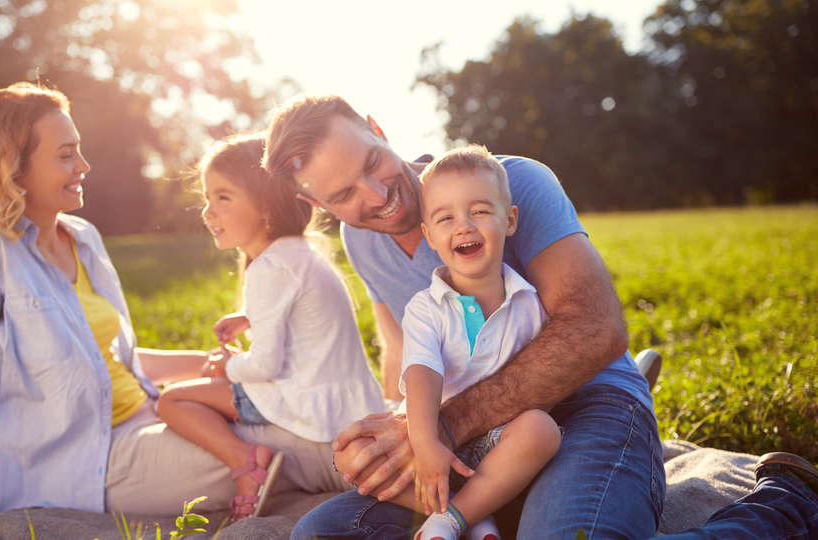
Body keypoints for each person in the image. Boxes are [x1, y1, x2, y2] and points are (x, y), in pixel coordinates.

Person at [263, 93, 818, 540]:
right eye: (345, 193)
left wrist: (442, 427)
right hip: (474, 441)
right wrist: (395, 435)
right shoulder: (361, 241)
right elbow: (406, 350)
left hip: (587, 402)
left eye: (371, 162)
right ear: (319, 206)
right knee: (324, 530)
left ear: (377, 128)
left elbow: (594, 330)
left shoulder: (511, 183)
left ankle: (781, 506)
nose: (378, 193)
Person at [0, 84, 348, 534]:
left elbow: (114, 362)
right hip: (85, 465)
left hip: (147, 417)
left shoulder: (83, 239)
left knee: (294, 417)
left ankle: (396, 460)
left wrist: (212, 366)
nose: (84, 165)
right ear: (13, 168)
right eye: (66, 155)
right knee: (288, 448)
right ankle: (396, 479)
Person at [334, 145, 561, 540]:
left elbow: (543, 380)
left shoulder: (528, 302)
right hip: (433, 437)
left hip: (498, 442)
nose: (464, 226)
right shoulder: (426, 307)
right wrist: (425, 444)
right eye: (445, 218)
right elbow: (422, 372)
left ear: (509, 221)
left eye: (480, 212)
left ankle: (455, 517)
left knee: (542, 430)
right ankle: (474, 516)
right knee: (349, 453)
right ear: (430, 236)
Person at [155, 133, 385, 522]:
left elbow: (264, 366)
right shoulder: (300, 252)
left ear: (265, 206)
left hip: (311, 414)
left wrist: (225, 367)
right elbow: (300, 313)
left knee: (172, 400)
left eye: (222, 198)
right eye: (207, 198)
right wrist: (249, 316)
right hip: (349, 406)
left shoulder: (269, 267)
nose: (208, 211)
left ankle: (247, 463)